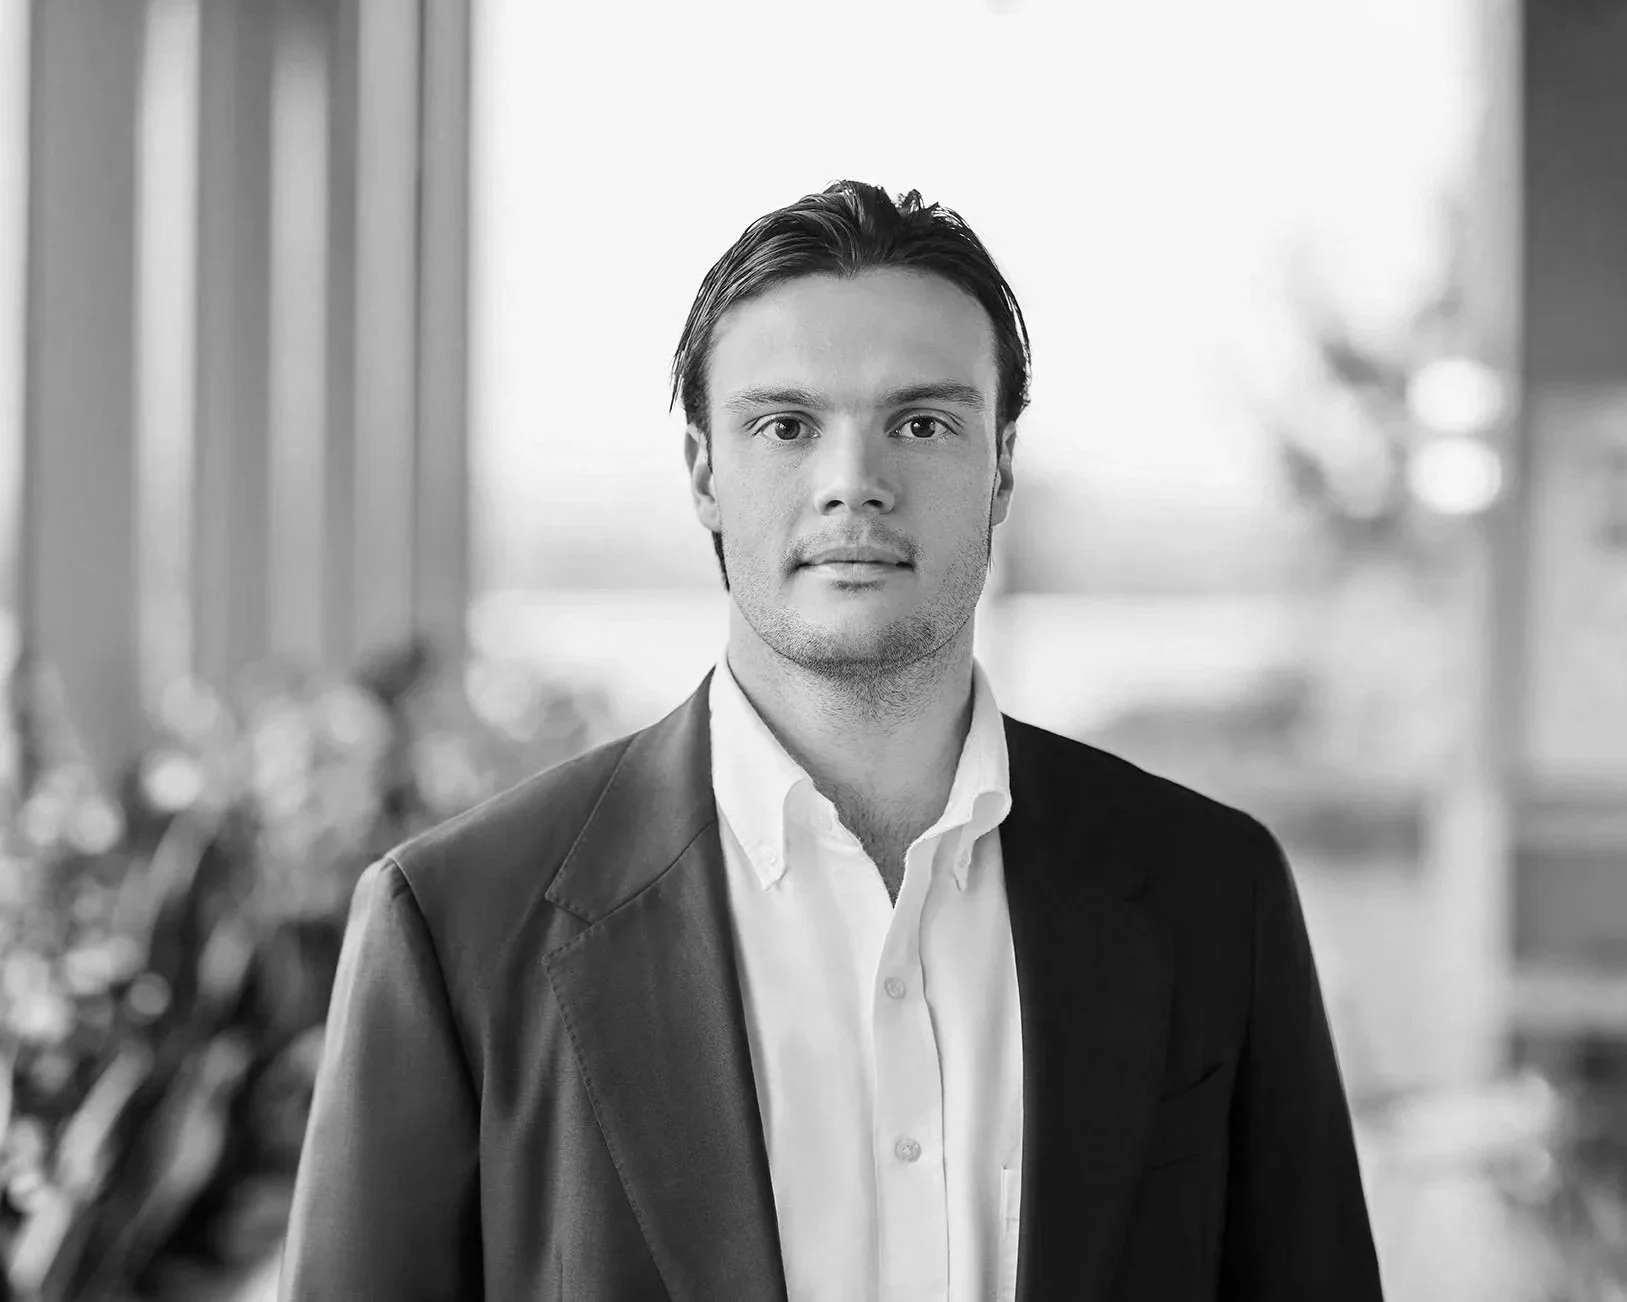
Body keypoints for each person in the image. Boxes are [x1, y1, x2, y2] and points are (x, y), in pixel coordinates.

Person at [279, 181, 1385, 1301]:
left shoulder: (1213, 893)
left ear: (1000, 465)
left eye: (921, 423)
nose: (853, 485)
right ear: (705, 473)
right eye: (785, 426)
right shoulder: (457, 925)